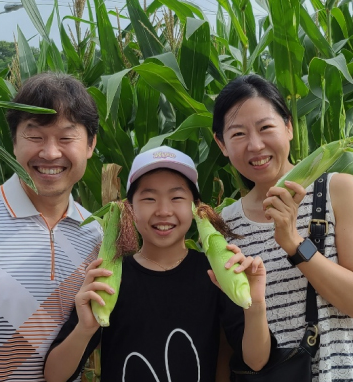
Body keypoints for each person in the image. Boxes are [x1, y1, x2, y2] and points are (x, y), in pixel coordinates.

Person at [44, 146, 271, 382]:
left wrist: (255, 305)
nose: (163, 211)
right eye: (149, 198)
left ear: (195, 207)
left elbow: (257, 360)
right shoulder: (111, 277)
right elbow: (54, 375)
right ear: (129, 209)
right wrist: (85, 329)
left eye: (176, 198)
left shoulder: (215, 276)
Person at [212, 74, 353, 382]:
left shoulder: (338, 192)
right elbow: (235, 342)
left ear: (288, 126)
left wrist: (293, 242)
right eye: (237, 134)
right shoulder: (225, 226)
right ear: (221, 144)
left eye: (266, 127)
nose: (255, 145)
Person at [0, 72, 102, 382]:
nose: (51, 153)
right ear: (13, 141)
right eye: (35, 136)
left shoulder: (97, 237)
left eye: (66, 137)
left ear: (91, 145)